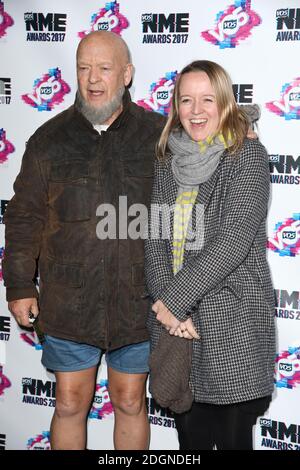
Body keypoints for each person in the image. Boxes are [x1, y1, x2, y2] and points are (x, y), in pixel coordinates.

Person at [2, 31, 165, 450]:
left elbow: (192, 198)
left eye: (104, 68)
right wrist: (19, 286)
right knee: (71, 403)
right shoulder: (49, 139)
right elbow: (24, 218)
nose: (92, 78)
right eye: (83, 67)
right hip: (69, 301)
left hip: (138, 299)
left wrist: (242, 142)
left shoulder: (158, 135)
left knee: (130, 401)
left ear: (126, 74)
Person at [145, 60, 276, 450]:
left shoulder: (247, 156)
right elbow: (152, 239)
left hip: (231, 326)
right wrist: (171, 310)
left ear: (225, 103)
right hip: (177, 331)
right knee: (191, 446)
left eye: (207, 99)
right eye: (186, 100)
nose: (196, 111)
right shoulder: (166, 161)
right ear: (176, 107)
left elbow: (233, 240)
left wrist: (175, 301)